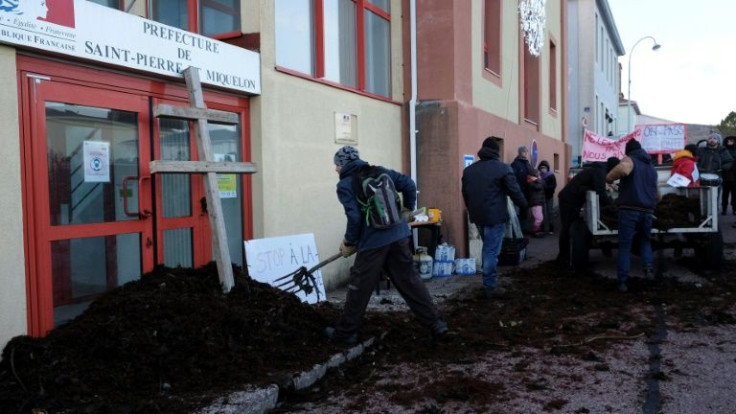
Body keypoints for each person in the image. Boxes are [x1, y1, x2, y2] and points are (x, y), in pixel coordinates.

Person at [326, 145, 448, 344]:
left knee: (359, 287)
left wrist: (350, 242)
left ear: (343, 164)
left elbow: (355, 218)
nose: (336, 169)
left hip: (373, 243)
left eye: (337, 165)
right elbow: (409, 184)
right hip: (399, 235)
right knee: (410, 281)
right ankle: (436, 324)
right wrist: (408, 209)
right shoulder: (381, 171)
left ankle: (346, 334)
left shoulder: (345, 185)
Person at [462, 137, 528, 298]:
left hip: (477, 216)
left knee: (488, 248)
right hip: (495, 217)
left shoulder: (469, 170)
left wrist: (472, 210)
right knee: (492, 251)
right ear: (496, 152)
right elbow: (515, 191)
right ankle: (489, 286)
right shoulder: (503, 169)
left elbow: (466, 193)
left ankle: (488, 282)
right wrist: (525, 206)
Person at [606, 139, 658, 293]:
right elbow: (658, 195)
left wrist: (609, 178)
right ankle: (648, 270)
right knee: (644, 241)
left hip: (629, 209)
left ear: (628, 151)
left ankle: (622, 281)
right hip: (648, 211)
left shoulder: (630, 160)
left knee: (625, 245)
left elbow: (623, 170)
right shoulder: (651, 168)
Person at [556, 157, 620, 268]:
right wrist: (611, 206)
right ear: (613, 168)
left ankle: (565, 256)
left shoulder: (599, 170)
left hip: (571, 199)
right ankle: (563, 257)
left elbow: (597, 189)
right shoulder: (600, 172)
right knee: (567, 227)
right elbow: (600, 192)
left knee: (569, 227)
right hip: (568, 200)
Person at [511, 146, 534, 230]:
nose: (526, 153)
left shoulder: (527, 163)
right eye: (524, 151)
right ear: (520, 152)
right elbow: (512, 178)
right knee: (517, 213)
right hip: (519, 192)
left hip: (527, 192)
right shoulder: (515, 164)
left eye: (527, 152)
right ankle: (518, 231)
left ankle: (523, 229)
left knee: (525, 211)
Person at [538, 160, 557, 234]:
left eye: (544, 168)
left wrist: (547, 187)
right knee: (542, 212)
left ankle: (551, 228)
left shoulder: (551, 175)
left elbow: (554, 185)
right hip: (541, 196)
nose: (543, 169)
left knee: (550, 212)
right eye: (541, 168)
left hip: (549, 196)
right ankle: (542, 228)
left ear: (547, 168)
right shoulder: (539, 176)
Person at [526, 168, 546, 237]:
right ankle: (535, 231)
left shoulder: (535, 181)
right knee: (539, 218)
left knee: (538, 218)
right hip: (535, 202)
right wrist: (539, 180)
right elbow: (539, 187)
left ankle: (537, 231)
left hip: (538, 202)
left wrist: (539, 180)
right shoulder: (532, 181)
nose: (539, 174)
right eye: (538, 173)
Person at [721, 136, 736, 214]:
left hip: (734, 175)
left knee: (734, 194)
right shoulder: (723, 151)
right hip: (725, 175)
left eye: (732, 140)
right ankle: (724, 209)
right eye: (728, 140)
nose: (730, 142)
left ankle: (734, 209)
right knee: (725, 193)